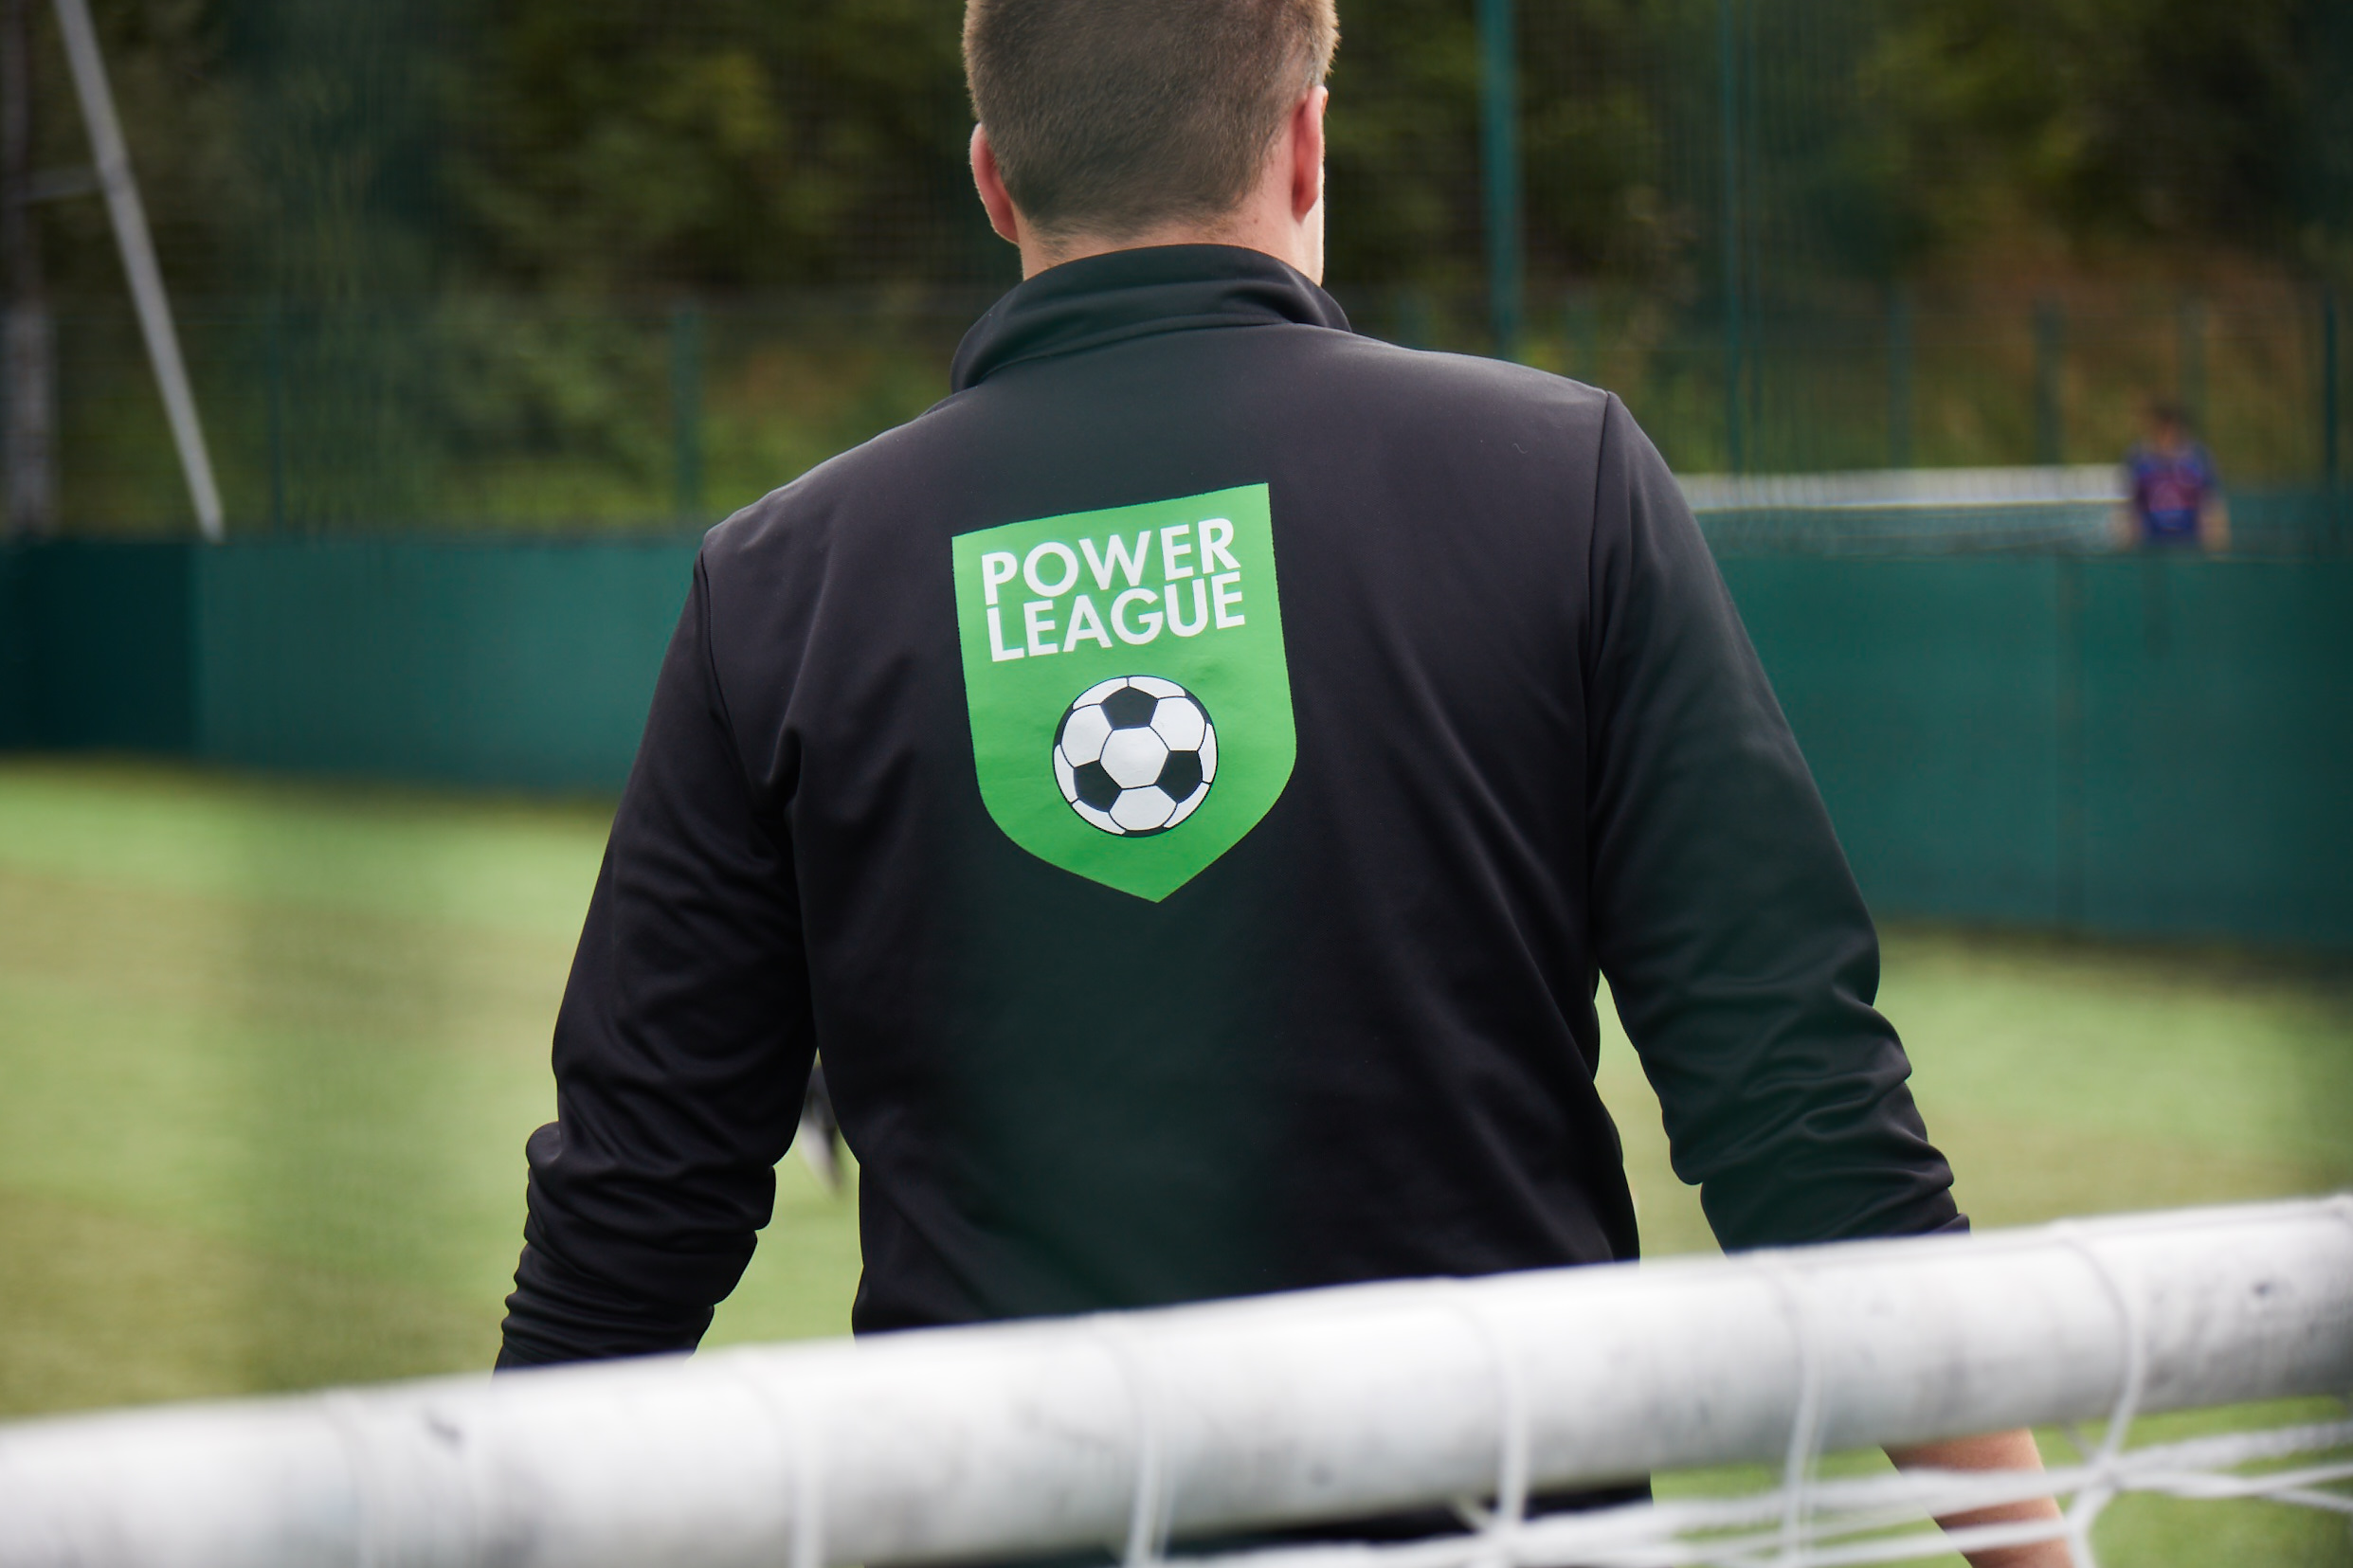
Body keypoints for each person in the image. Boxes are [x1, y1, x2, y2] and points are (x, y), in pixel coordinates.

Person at [497, 2, 2067, 1561]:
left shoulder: (785, 580)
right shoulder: (1557, 479)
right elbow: (1793, 1112)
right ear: (1306, 141)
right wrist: (2033, 1552)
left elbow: (633, 1211)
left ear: (992, 179)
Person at [2120, 398, 2228, 551]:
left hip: (2190, 548)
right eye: (2162, 431)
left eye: (2172, 431)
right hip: (2151, 549)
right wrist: (2128, 547)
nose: (2167, 437)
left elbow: (2212, 508)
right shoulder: (2138, 459)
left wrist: (2215, 549)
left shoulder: (2199, 459)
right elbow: (2128, 510)